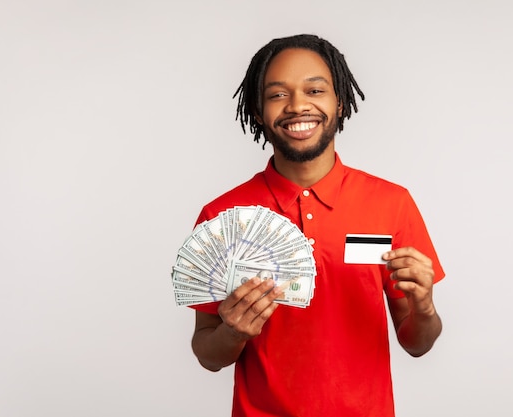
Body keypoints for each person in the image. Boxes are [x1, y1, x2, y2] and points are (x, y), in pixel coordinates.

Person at [190, 34, 445, 417]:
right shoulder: (221, 216)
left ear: (339, 102)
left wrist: (423, 309)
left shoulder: (392, 203)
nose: (297, 106)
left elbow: (417, 343)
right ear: (258, 111)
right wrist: (233, 332)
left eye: (315, 89)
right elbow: (207, 355)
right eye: (278, 94)